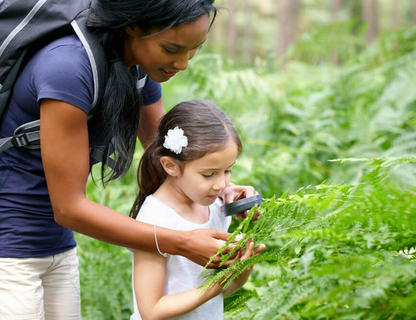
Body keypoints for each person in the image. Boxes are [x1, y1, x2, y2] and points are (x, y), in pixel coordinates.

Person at [0, 1, 261, 319]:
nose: (183, 63)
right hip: (9, 248)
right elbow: (68, 208)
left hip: (56, 244)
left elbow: (172, 157)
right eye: (172, 48)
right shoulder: (68, 68)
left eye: (194, 49)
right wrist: (181, 242)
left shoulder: (136, 68)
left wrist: (222, 187)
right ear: (133, 26)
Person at [130, 99, 264, 320]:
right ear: (171, 166)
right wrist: (219, 283)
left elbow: (211, 298)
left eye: (228, 170)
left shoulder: (215, 207)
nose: (222, 184)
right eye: (209, 174)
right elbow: (151, 310)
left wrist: (240, 273)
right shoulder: (155, 218)